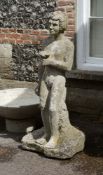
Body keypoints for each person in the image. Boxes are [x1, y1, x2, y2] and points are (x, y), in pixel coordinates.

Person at [35, 11, 74, 148]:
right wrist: (38, 82)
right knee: (42, 106)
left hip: (58, 78)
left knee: (53, 107)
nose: (50, 26)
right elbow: (41, 65)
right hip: (45, 77)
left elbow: (68, 66)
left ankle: (55, 137)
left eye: (54, 23)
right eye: (50, 23)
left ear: (62, 25)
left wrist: (51, 61)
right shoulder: (46, 41)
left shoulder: (68, 44)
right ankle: (46, 133)